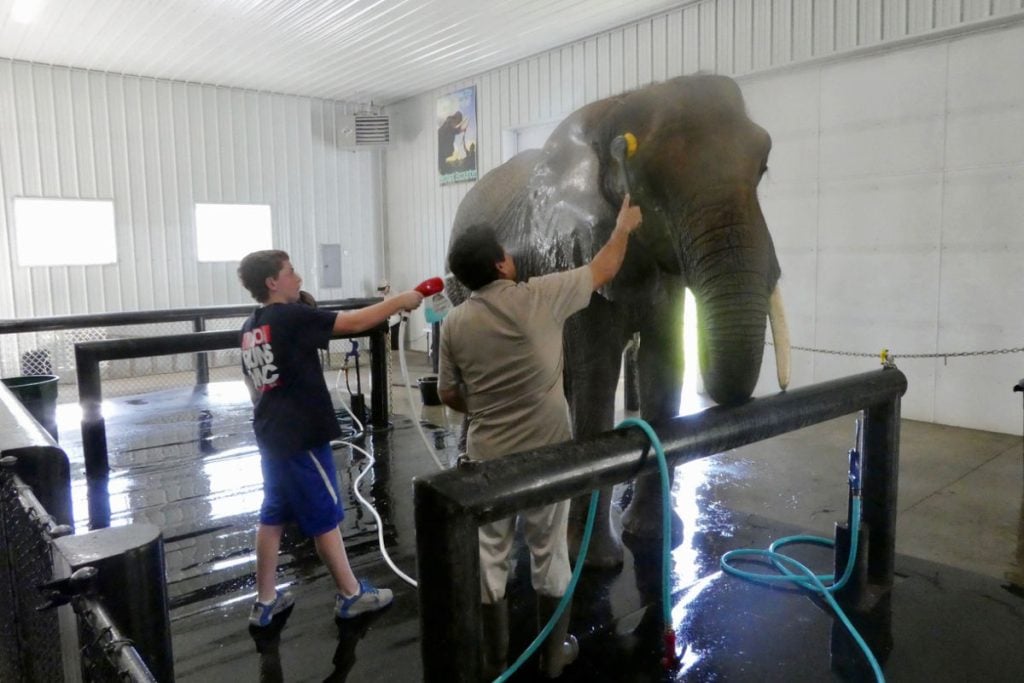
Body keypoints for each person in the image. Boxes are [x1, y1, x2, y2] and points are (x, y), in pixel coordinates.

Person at [437, 195, 643, 678]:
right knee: (549, 553)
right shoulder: (540, 296)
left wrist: (486, 404)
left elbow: (447, 392)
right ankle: (553, 658)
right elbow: (604, 268)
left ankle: (495, 659)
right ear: (502, 261)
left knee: (490, 553)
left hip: (487, 458)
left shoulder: (454, 322)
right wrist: (625, 226)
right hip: (548, 458)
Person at [237, 250, 422, 628]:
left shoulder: (251, 325)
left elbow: (252, 385)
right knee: (325, 515)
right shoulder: (290, 316)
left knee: (273, 515)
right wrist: (401, 300)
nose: (299, 278)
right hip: (301, 438)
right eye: (291, 272)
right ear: (273, 282)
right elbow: (353, 322)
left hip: (271, 435)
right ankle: (351, 594)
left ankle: (266, 600)